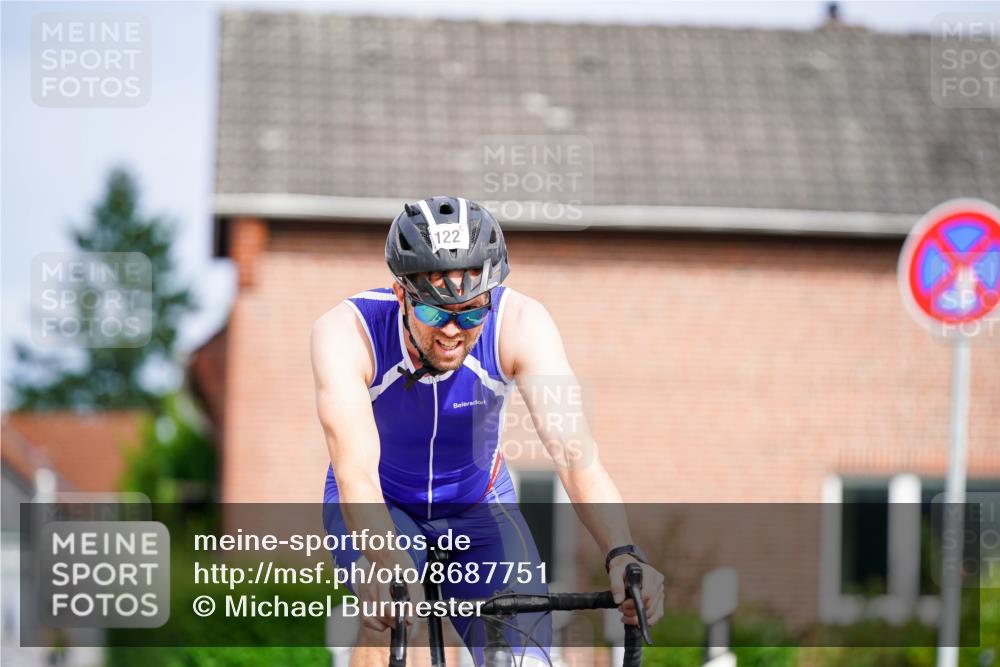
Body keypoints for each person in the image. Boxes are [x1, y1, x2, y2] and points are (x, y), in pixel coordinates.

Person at [311, 196, 664, 667]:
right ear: (400, 294)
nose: (452, 331)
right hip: (385, 501)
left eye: (471, 312)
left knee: (521, 652)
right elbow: (355, 473)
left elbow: (574, 452)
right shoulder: (346, 332)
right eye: (434, 313)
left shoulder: (522, 324)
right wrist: (386, 563)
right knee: (391, 619)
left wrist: (622, 551)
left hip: (479, 504)